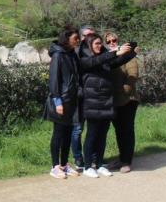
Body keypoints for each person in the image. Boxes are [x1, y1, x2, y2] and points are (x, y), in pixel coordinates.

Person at [78, 33, 135, 178]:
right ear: (90, 45)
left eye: (100, 43)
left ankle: (99, 164)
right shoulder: (84, 59)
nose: (99, 46)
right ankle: (87, 166)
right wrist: (115, 52)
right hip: (92, 103)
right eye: (96, 44)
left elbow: (115, 62)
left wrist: (131, 52)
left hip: (105, 102)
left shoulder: (103, 59)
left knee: (102, 135)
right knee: (92, 135)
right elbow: (97, 61)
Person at [45, 27, 81, 179]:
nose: (78, 41)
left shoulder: (72, 54)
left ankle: (65, 165)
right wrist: (57, 101)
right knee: (58, 134)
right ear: (67, 40)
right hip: (60, 100)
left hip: (72, 100)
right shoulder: (58, 55)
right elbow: (54, 80)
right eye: (75, 38)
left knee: (67, 134)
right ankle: (55, 166)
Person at [105, 32, 140, 172]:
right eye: (109, 41)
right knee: (119, 130)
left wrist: (124, 91)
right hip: (114, 100)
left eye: (114, 40)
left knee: (127, 130)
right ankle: (122, 158)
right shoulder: (108, 57)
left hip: (128, 99)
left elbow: (133, 76)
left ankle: (127, 161)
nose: (112, 42)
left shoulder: (127, 55)